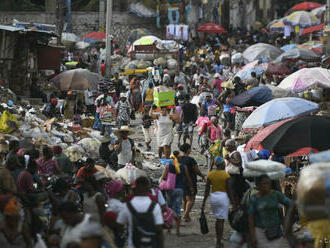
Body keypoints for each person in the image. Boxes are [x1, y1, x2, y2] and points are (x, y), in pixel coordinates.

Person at [117, 176, 164, 248]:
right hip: (150, 244)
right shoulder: (155, 206)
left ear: (135, 188)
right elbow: (159, 230)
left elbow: (120, 225)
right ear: (148, 188)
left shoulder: (126, 206)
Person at [248, 174, 291, 248]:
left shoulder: (276, 195)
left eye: (268, 183)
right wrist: (252, 235)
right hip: (260, 231)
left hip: (275, 230)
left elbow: (290, 203)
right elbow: (251, 218)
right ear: (258, 185)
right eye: (263, 183)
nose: (265, 186)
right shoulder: (254, 198)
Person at [160, 152, 194, 236]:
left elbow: (164, 177)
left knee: (169, 208)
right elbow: (188, 178)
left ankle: (169, 229)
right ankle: (178, 230)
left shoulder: (168, 166)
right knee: (177, 209)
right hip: (179, 189)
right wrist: (191, 187)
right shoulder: (183, 167)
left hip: (170, 189)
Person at [201, 157, 232, 248]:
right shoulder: (226, 175)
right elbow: (229, 190)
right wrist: (233, 202)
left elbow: (206, 190)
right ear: (223, 164)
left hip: (214, 197)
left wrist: (203, 203)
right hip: (223, 197)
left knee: (218, 219)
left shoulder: (211, 174)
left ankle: (218, 239)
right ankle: (219, 241)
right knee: (221, 221)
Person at [179, 143, 205, 222]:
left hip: (181, 181)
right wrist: (202, 176)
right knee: (191, 199)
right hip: (190, 181)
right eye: (190, 148)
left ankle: (187, 216)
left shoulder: (179, 159)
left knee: (184, 199)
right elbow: (196, 170)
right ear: (187, 150)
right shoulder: (190, 160)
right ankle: (185, 215)